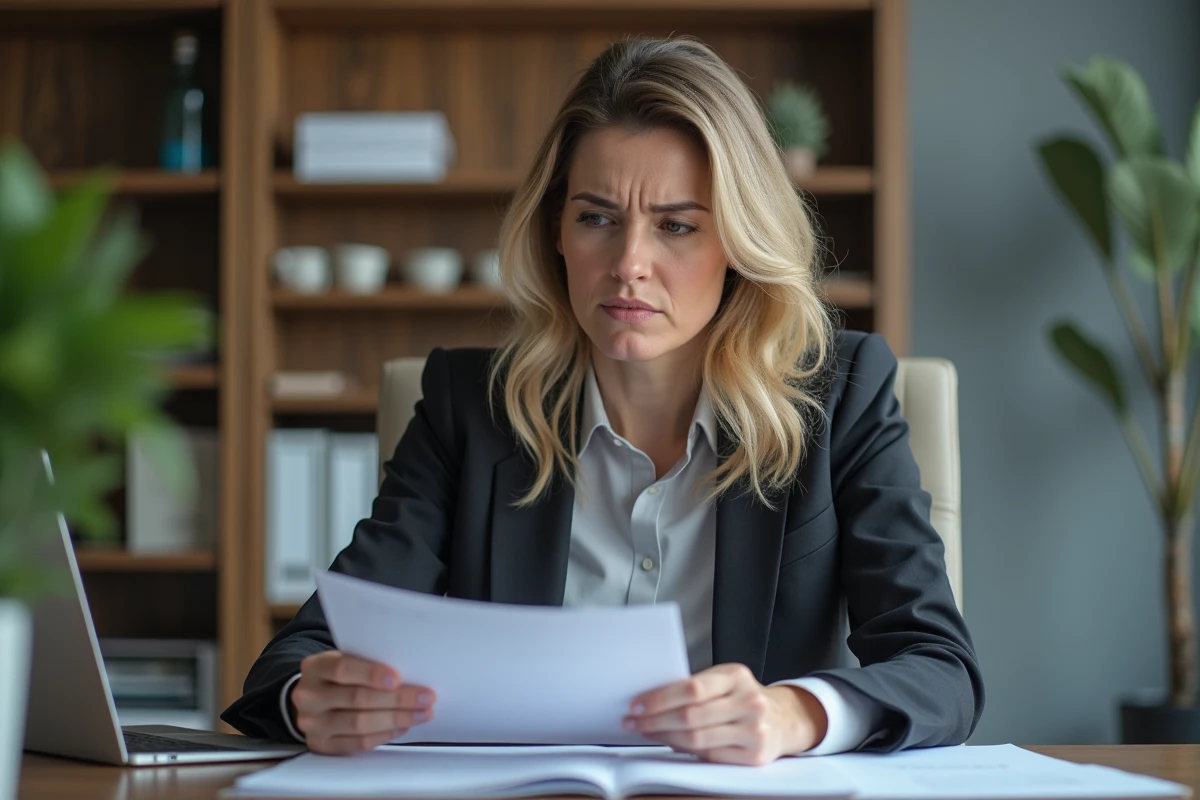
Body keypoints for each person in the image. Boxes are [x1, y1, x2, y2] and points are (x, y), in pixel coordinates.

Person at [222, 35, 983, 765]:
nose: (628, 265)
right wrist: (307, 697)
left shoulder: (840, 396)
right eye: (597, 218)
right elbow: (299, 656)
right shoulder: (471, 406)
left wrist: (794, 714)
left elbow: (939, 668)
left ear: (740, 244)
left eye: (677, 226)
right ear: (556, 229)